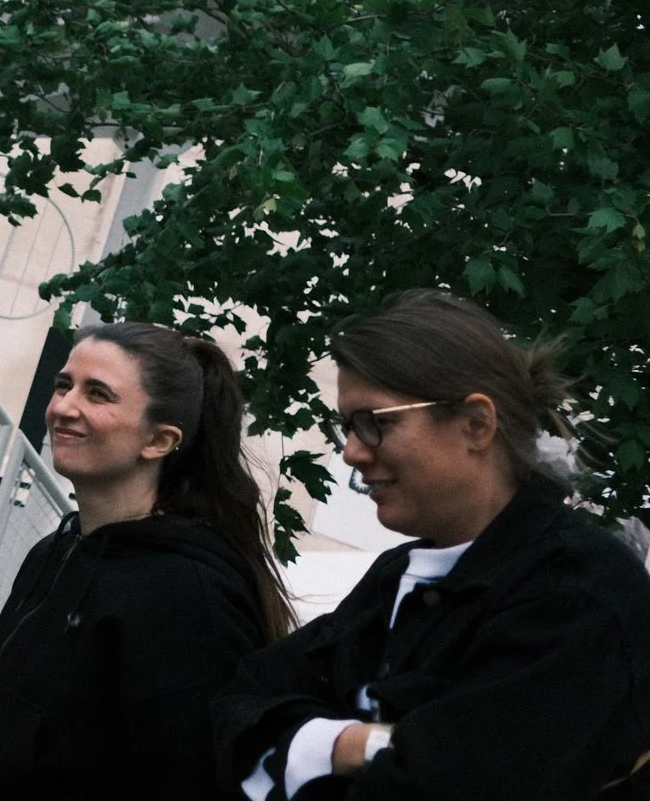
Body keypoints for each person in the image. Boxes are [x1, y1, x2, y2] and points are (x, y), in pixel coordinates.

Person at [217, 290, 650, 801]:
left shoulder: (577, 591)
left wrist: (289, 754)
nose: (352, 452)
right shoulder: (399, 573)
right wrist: (352, 744)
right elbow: (234, 705)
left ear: (476, 424)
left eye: (376, 423)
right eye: (347, 426)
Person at [0, 323, 292, 801]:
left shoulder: (190, 594)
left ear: (160, 441)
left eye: (98, 394)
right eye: (63, 385)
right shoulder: (55, 552)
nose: (64, 407)